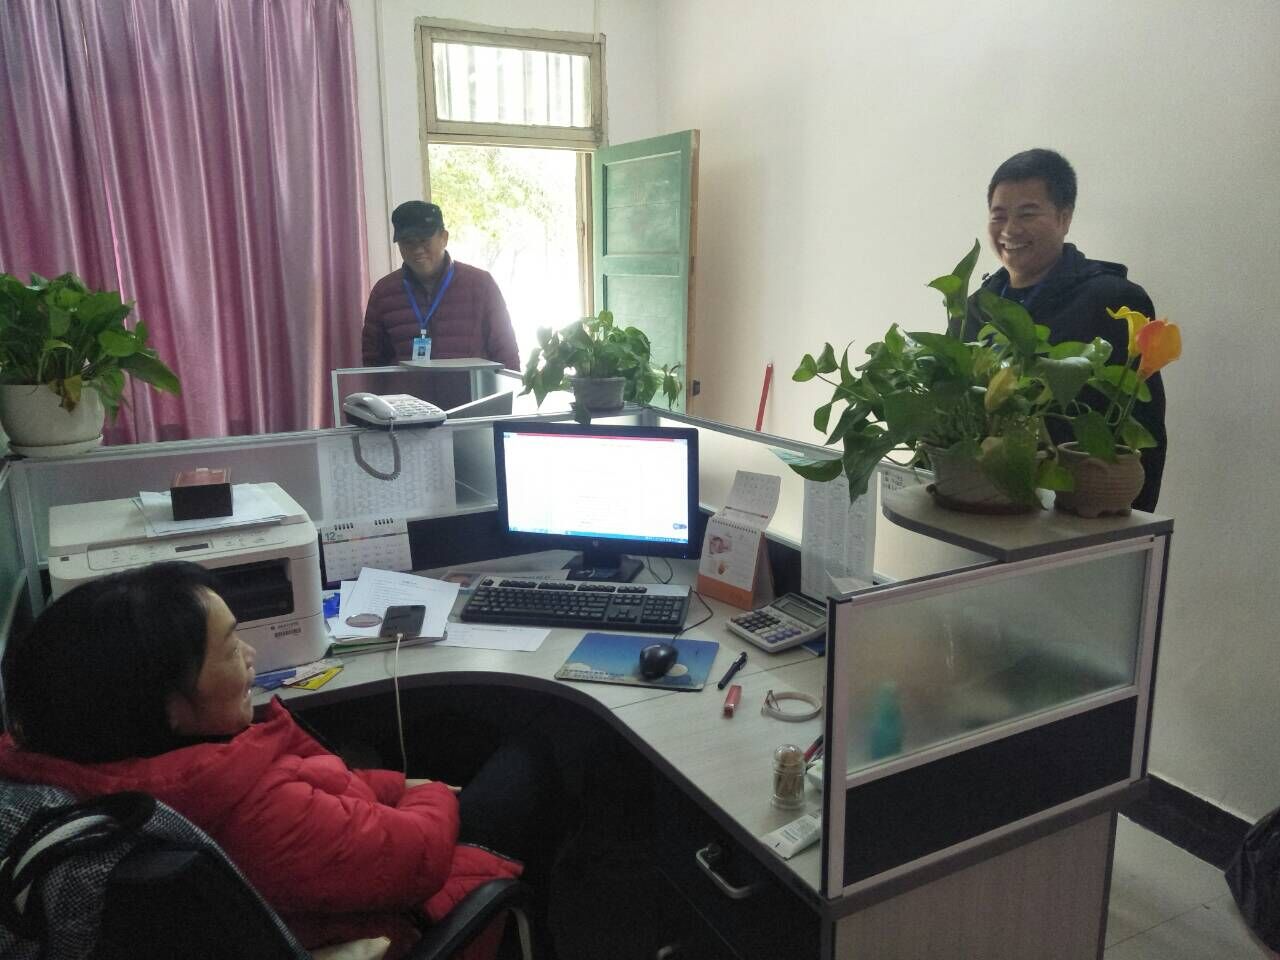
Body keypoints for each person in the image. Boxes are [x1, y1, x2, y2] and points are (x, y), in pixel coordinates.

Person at [0, 562, 560, 959]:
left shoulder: (86, 768)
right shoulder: (253, 811)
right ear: (168, 707)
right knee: (532, 752)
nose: (250, 655)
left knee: (447, 731)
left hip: (342, 865)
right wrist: (430, 789)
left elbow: (319, 787)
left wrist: (391, 787)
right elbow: (419, 858)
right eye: (230, 647)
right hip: (408, 913)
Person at [955, 148, 1167, 512]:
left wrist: (1130, 530)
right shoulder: (974, 309)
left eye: (1027, 213)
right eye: (999, 215)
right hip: (979, 508)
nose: (1009, 229)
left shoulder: (1112, 301)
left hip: (1077, 516)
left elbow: (1143, 432)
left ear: (1064, 218)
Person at [362, 201, 520, 371]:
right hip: (407, 389)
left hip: (473, 389)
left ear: (444, 238)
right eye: (408, 242)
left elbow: (506, 353)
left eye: (424, 241)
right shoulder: (384, 292)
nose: (417, 250)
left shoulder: (480, 285)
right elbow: (373, 364)